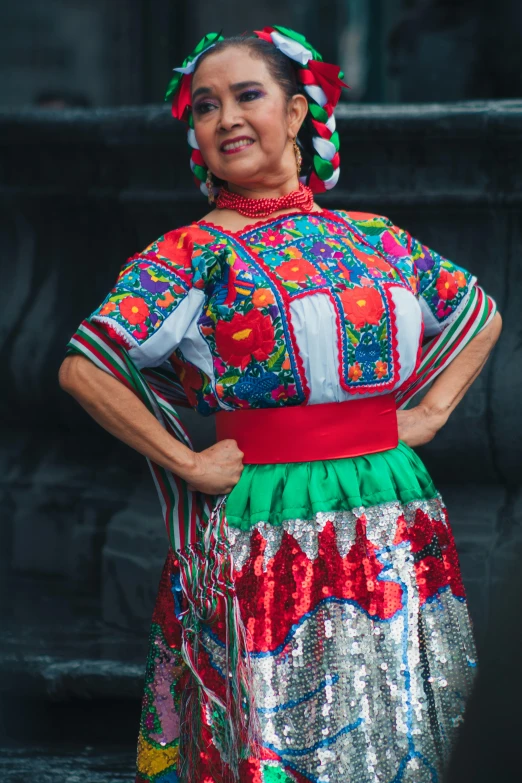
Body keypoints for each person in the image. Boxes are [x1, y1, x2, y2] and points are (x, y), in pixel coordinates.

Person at [58, 25, 502, 783]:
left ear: (297, 113)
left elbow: (479, 311)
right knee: (281, 719)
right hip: (268, 516)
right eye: (205, 106)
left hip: (392, 503)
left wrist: (429, 414)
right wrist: (186, 460)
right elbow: (86, 365)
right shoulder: (190, 253)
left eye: (247, 95)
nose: (225, 117)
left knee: (393, 710)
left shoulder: (375, 238)